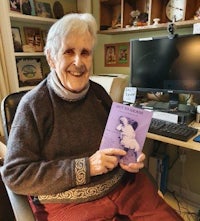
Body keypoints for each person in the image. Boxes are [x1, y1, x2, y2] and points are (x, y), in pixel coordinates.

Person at [1, 13, 183, 221]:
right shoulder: (33, 106)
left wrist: (129, 156)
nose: (78, 62)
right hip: (69, 203)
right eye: (69, 52)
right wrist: (85, 167)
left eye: (85, 53)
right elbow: (15, 175)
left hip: (123, 187)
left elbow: (116, 141)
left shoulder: (98, 94)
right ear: (51, 57)